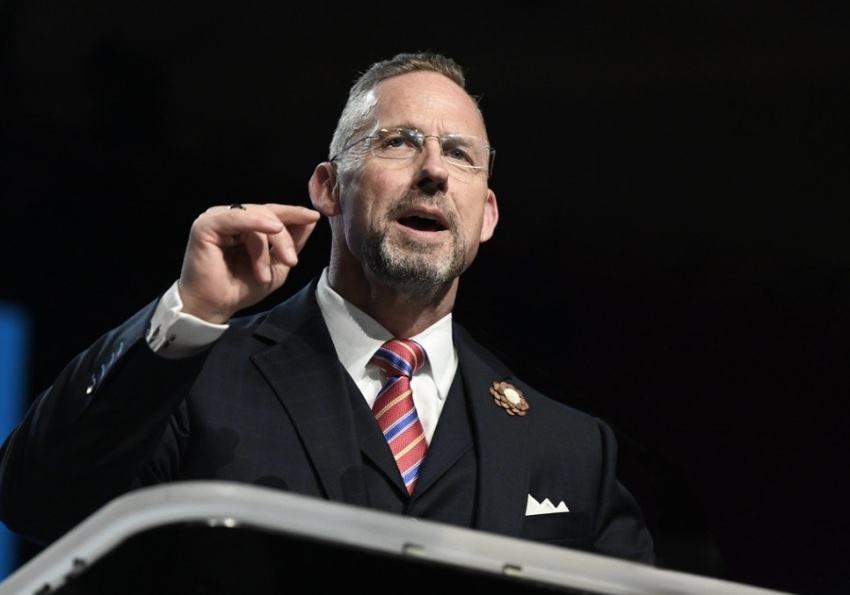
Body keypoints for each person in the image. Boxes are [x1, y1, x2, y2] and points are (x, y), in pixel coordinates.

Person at [0, 52, 655, 564]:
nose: (434, 171)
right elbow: (36, 497)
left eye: (460, 155)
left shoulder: (568, 447)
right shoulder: (196, 375)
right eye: (399, 142)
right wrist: (189, 311)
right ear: (328, 187)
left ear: (485, 216)